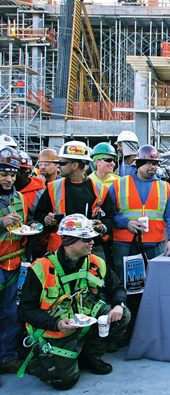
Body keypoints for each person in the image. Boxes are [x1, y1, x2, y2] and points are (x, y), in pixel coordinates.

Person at [18, 214, 130, 389]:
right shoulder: (41, 268)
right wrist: (56, 323)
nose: (92, 242)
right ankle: (38, 359)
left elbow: (116, 288)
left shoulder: (96, 262)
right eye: (86, 238)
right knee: (65, 383)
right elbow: (25, 310)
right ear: (69, 241)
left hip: (84, 320)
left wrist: (118, 305)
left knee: (123, 315)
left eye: (92, 237)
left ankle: (90, 357)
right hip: (55, 328)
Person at [109, 144, 170, 284]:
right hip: (125, 245)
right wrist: (126, 223)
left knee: (156, 284)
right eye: (149, 163)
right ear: (138, 164)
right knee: (124, 284)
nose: (153, 167)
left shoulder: (164, 187)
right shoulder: (118, 185)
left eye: (155, 164)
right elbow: (109, 214)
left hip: (154, 245)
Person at [35, 141, 115, 257]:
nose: (58, 166)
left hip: (90, 248)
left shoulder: (100, 190)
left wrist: (102, 226)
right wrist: (46, 219)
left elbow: (110, 217)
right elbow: (39, 214)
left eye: (62, 163)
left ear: (74, 165)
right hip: (61, 248)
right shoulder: (53, 188)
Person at [0, 146, 37, 375]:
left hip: (14, 265)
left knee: (11, 313)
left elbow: (30, 220)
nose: (9, 179)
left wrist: (32, 226)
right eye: (4, 173)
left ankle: (6, 357)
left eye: (12, 174)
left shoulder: (20, 199)